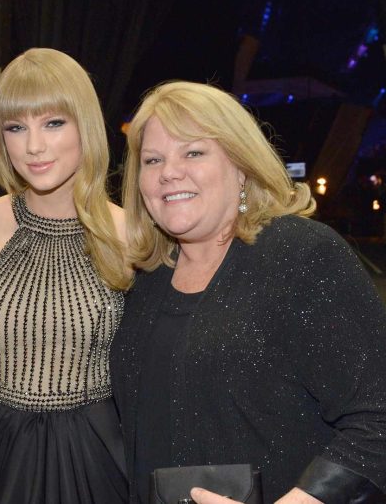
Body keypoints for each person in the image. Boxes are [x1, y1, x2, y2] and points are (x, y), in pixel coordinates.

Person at [111, 80, 386, 504]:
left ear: (241, 166)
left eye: (193, 152)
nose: (169, 172)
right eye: (152, 159)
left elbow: (376, 417)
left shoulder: (300, 255)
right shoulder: (146, 280)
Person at [0, 47, 131, 504]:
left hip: (96, 461)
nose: (33, 146)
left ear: (84, 123)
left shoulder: (131, 235)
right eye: (15, 127)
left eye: (52, 123)